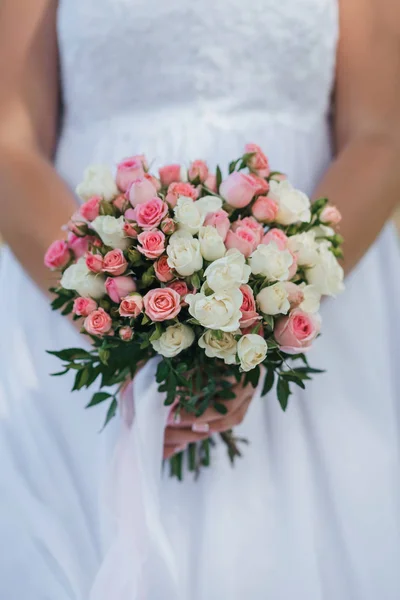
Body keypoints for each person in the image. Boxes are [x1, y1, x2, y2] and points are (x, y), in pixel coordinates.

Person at [0, 0, 399, 598]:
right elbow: (11, 140)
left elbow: (381, 135)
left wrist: (269, 315)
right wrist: (120, 314)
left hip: (310, 303)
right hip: (71, 288)